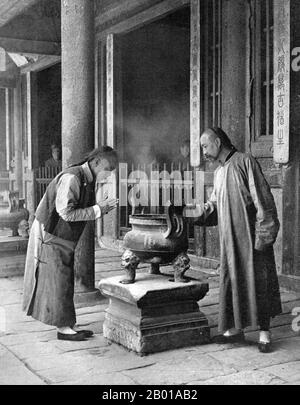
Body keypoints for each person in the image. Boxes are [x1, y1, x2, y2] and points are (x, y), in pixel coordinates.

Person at [185, 127, 282, 353]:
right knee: (232, 281)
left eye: (205, 146)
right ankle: (235, 330)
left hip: (251, 238)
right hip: (229, 240)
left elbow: (263, 201)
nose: (204, 151)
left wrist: (264, 236)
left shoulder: (245, 161)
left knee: (259, 282)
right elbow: (214, 207)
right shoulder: (219, 172)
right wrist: (191, 213)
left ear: (218, 142)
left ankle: (264, 333)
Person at [23, 146, 118, 341]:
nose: (108, 175)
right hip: (49, 233)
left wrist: (98, 208)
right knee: (59, 278)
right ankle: (64, 329)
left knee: (62, 278)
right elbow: (65, 212)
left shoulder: (86, 178)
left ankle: (66, 324)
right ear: (96, 161)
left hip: (60, 235)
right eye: (107, 169)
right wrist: (98, 209)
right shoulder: (72, 177)